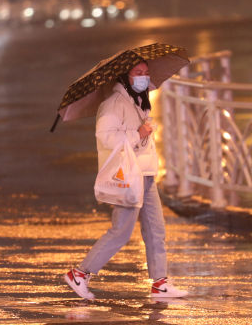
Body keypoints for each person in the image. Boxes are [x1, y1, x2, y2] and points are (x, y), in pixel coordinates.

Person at [64, 61, 189, 303]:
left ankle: (160, 284)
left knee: (155, 230)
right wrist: (137, 134)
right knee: (121, 231)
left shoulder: (137, 101)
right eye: (138, 73)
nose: (144, 77)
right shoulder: (114, 104)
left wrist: (142, 130)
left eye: (146, 73)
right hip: (130, 176)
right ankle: (79, 274)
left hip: (146, 173)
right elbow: (106, 137)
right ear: (125, 77)